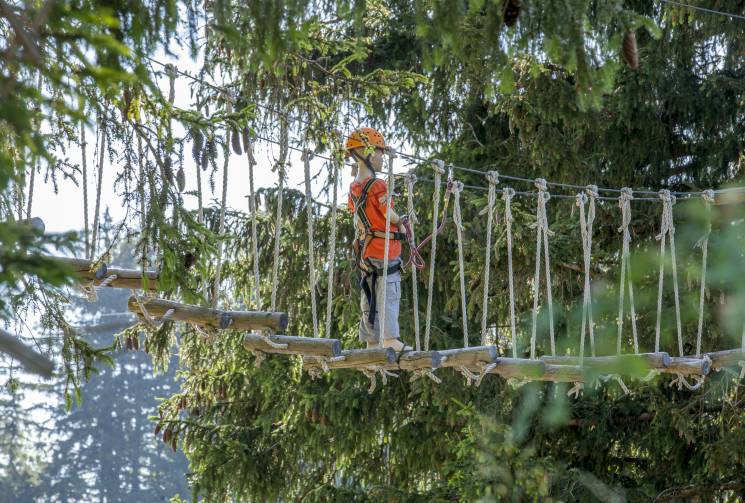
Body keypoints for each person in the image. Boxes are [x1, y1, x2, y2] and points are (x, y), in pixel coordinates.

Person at [346, 128, 412, 351]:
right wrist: (401, 223)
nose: (382, 159)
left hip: (366, 252)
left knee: (369, 294)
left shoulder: (354, 188)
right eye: (380, 154)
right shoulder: (379, 185)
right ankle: (390, 339)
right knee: (388, 294)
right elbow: (387, 214)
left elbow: (355, 213)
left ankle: (371, 341)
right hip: (384, 250)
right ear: (368, 153)